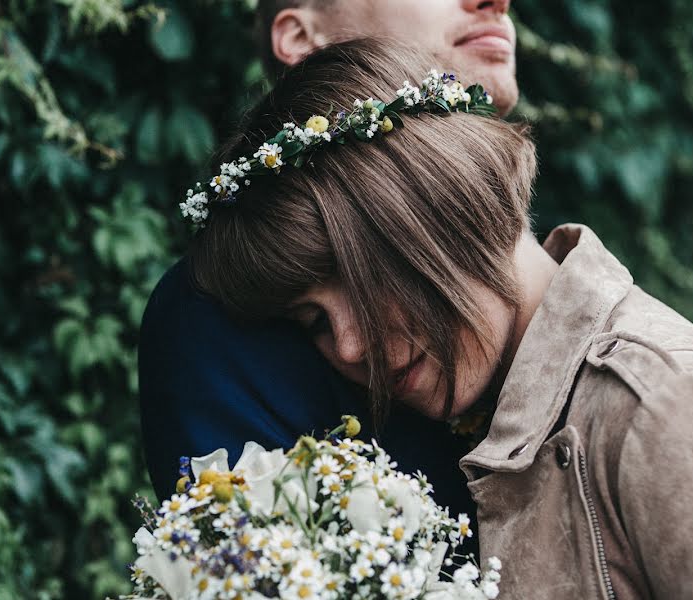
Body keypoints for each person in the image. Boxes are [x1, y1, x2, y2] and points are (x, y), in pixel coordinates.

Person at [186, 38, 693, 599]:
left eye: (360, 278)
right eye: (313, 320)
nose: (346, 347)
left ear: (445, 206)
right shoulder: (476, 426)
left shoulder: (673, 409)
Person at [139, 0, 516, 534]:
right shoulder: (221, 319)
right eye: (314, 319)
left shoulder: (606, 339)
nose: (494, 2)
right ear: (302, 36)